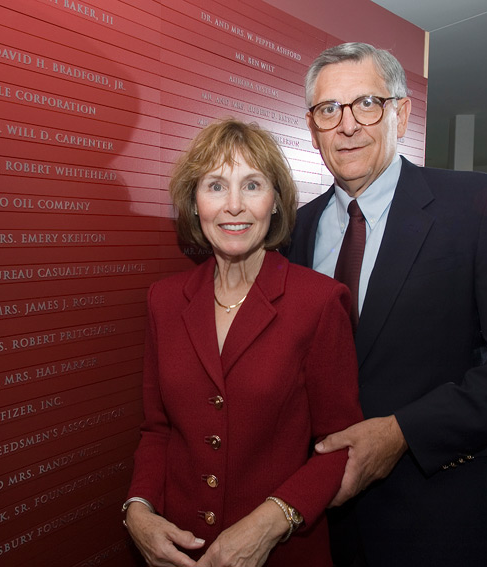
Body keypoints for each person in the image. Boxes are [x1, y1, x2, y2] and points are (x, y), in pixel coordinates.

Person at [285, 43, 487, 566]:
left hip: (434, 517)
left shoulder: (478, 207)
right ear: (312, 127)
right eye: (328, 110)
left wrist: (403, 432)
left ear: (401, 112)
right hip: (322, 522)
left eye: (366, 103)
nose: (346, 125)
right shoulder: (297, 229)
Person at [124, 118, 363, 567]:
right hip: (183, 552)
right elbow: (158, 429)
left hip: (282, 551)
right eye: (215, 186)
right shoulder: (164, 300)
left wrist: (270, 523)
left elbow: (340, 444)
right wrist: (138, 510)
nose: (234, 206)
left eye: (252, 185)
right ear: (195, 204)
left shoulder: (319, 301)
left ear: (275, 203)